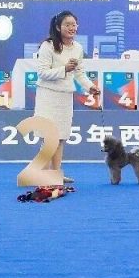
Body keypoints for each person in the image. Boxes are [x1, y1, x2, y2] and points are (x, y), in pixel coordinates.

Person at [34, 11, 100, 183]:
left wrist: (90, 87)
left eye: (74, 24)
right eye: (67, 25)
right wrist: (64, 69)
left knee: (60, 137)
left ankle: (56, 173)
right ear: (58, 27)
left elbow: (80, 73)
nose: (72, 28)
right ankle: (44, 175)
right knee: (49, 137)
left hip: (65, 96)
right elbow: (42, 73)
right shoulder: (48, 46)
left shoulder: (77, 48)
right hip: (48, 95)